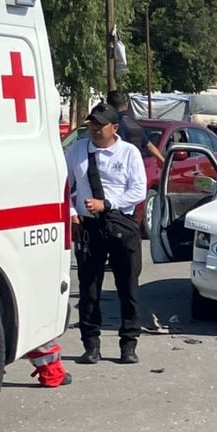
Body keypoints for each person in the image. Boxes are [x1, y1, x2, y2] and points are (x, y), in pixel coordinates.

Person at [67, 102, 147, 365]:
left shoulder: (129, 153)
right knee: (89, 289)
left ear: (114, 127)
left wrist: (108, 204)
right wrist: (71, 213)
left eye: (100, 125)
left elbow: (139, 191)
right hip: (90, 227)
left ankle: (129, 344)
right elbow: (64, 185)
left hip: (121, 224)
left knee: (128, 289)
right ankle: (91, 345)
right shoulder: (78, 150)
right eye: (92, 125)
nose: (95, 130)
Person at [105, 89, 165, 166]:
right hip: (136, 164)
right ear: (126, 104)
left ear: (109, 105)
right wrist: (162, 160)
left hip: (118, 165)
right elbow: (148, 145)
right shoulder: (135, 123)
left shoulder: (111, 124)